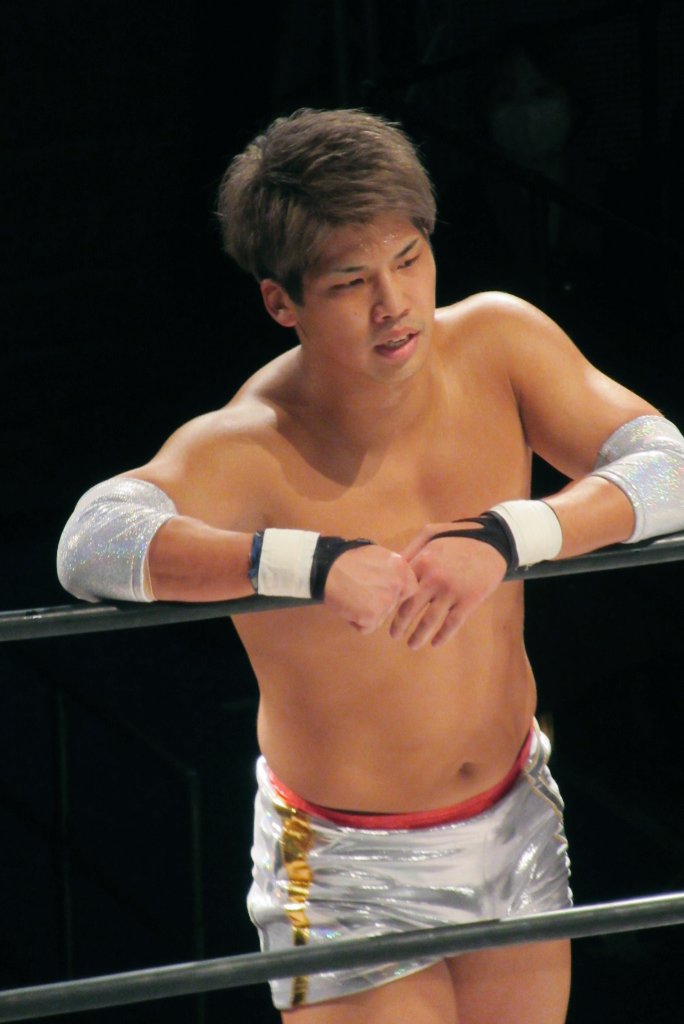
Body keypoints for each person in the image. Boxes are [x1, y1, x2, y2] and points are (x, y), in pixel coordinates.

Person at [57, 108, 684, 1024]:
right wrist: (306, 561)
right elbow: (91, 544)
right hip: (348, 865)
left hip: (515, 812)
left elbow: (668, 464)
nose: (394, 304)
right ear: (283, 303)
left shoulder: (500, 344)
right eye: (351, 282)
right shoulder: (248, 445)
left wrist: (512, 534)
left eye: (409, 260)